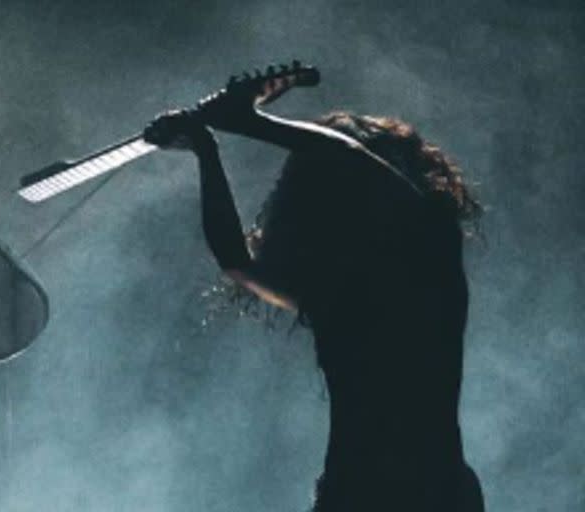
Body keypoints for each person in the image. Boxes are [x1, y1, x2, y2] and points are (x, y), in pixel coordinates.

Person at [143, 79, 484, 511]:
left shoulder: (428, 244)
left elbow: (349, 160)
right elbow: (238, 263)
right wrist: (206, 150)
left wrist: (247, 123)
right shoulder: (338, 287)